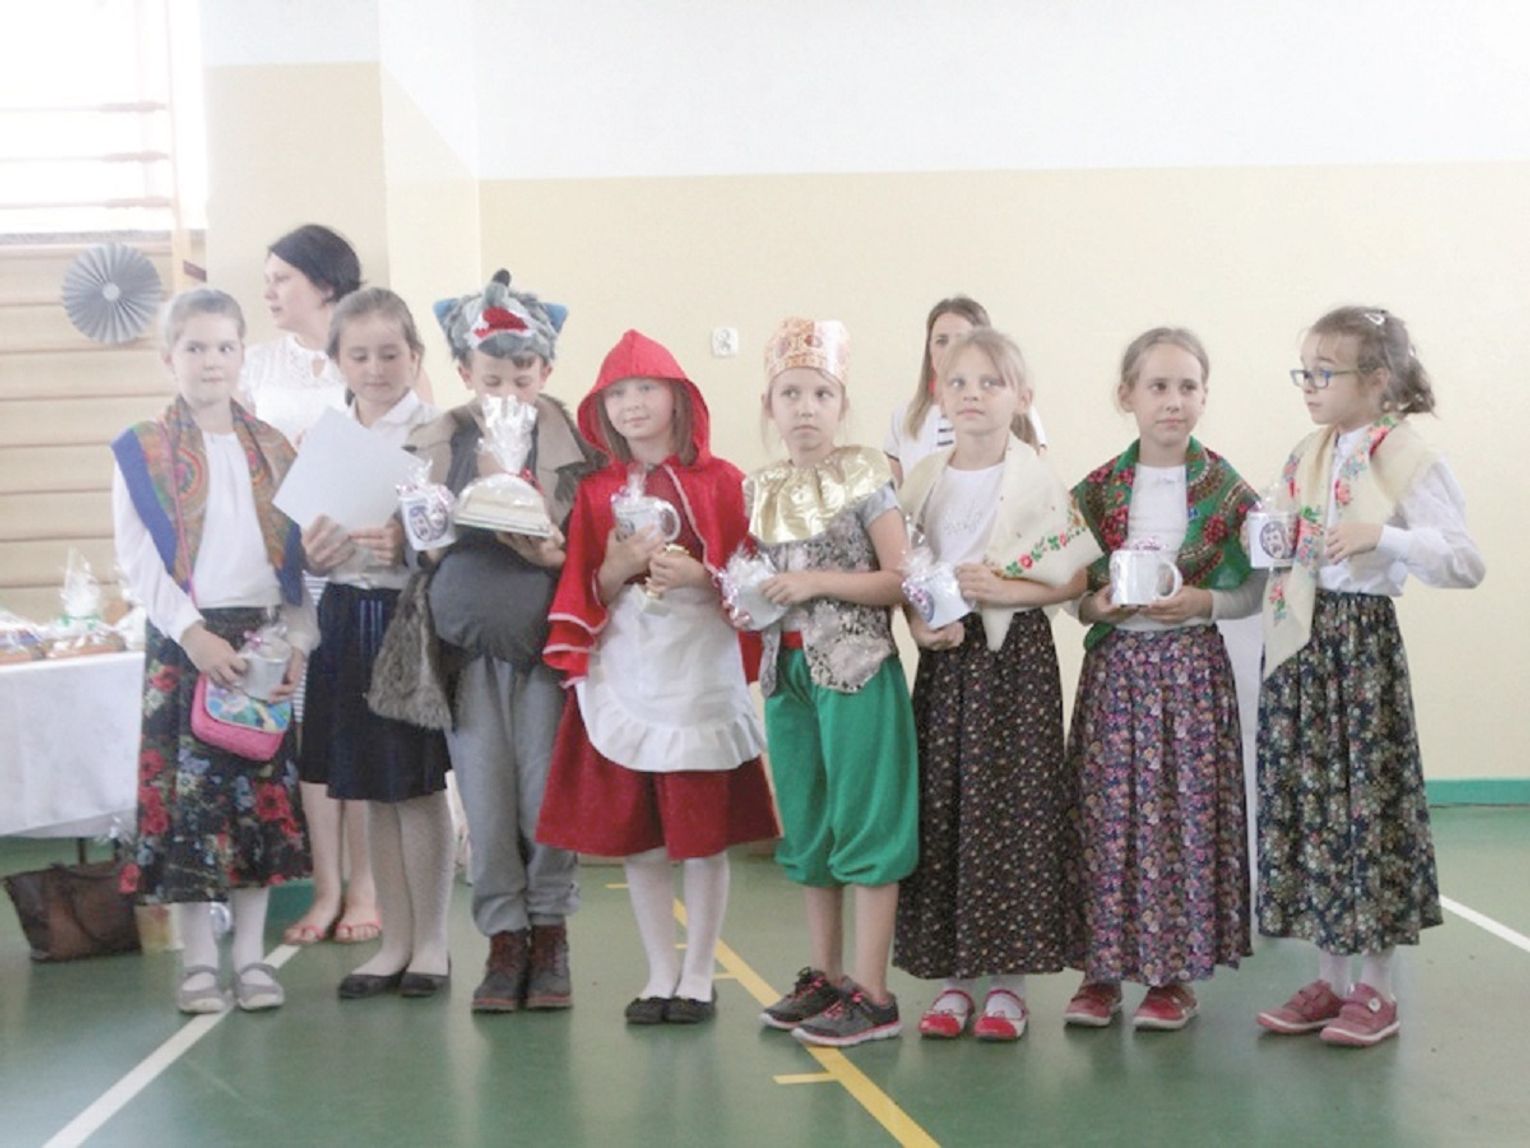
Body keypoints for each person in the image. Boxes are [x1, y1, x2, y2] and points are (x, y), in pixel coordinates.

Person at [1254, 307, 1484, 1047]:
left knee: (1365, 809)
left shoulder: (1406, 457)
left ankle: (1377, 988)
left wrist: (1382, 537)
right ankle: (1331, 977)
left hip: (1358, 648)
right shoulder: (1307, 452)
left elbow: (1463, 561)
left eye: (1325, 372)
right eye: (1305, 371)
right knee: (1314, 809)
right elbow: (1286, 533)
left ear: (1377, 379)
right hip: (1301, 643)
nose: (1309, 385)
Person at [537, 330, 779, 1025]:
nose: (632, 403)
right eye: (617, 393)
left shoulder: (724, 482)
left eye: (645, 388)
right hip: (626, 671)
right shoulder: (595, 493)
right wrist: (616, 569)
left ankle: (699, 973)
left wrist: (702, 575)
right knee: (639, 838)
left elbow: (753, 579)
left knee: (701, 836)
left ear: (679, 397)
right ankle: (659, 971)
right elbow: (585, 585)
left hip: (697, 676)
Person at [892, 329, 1100, 1041]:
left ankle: (1008, 983)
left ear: (1021, 397)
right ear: (938, 394)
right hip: (948, 659)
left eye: (991, 383)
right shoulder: (923, 479)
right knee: (945, 807)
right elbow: (905, 574)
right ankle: (954, 978)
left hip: (1015, 666)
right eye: (959, 382)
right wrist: (918, 626)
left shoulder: (1037, 478)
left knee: (1013, 812)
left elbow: (1075, 576)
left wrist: (1007, 590)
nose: (973, 395)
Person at [111, 288, 314, 1013]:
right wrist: (192, 633)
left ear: (241, 353)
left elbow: (295, 562)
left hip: (261, 641)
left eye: (225, 346)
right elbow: (137, 559)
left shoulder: (276, 449)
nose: (211, 361)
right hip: (186, 642)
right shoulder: (142, 450)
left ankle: (252, 957)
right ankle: (199, 961)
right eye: (195, 347)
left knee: (257, 803)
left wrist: (298, 640)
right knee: (191, 810)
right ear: (169, 357)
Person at [408, 270, 603, 1013]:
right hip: (467, 650)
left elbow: (597, 550)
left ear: (546, 371)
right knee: (484, 801)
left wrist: (555, 551)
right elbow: (419, 546)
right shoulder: (442, 440)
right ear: (464, 372)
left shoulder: (576, 446)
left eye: (523, 376)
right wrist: (437, 524)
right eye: (492, 378)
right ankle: (503, 936)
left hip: (549, 652)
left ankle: (549, 929)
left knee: (547, 796)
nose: (508, 390)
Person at [1065, 327, 1262, 1031]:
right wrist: (1099, 607)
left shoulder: (1229, 492)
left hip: (1190, 675)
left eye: (1187, 386)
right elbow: (1071, 590)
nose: (1173, 401)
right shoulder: (1094, 493)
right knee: (1105, 818)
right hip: (1117, 674)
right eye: (1158, 386)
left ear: (1204, 396)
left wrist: (1203, 602)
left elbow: (1254, 587)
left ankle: (1171, 976)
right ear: (1128, 395)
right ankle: (1100, 972)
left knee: (1183, 821)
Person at [748, 317, 918, 1048]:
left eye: (821, 393)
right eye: (791, 393)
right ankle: (825, 975)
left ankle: (874, 994)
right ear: (770, 405)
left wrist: (815, 581)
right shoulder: (761, 488)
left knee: (867, 822)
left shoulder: (867, 478)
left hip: (855, 670)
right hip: (786, 676)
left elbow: (899, 579)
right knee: (810, 825)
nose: (806, 408)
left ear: (841, 403)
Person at [298, 288, 455, 999]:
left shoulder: (439, 434)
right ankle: (393, 940)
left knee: (415, 788)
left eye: (390, 353)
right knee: (370, 791)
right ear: (337, 361)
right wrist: (316, 554)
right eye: (358, 355)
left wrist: (411, 543)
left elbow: (455, 537)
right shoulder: (326, 437)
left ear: (415, 356)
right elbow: (305, 542)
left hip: (408, 619)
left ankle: (432, 941)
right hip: (345, 614)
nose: (375, 368)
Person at [240, 223, 377, 948]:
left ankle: (368, 885)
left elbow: (405, 454)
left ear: (325, 283)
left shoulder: (369, 354)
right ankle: (325, 888)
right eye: (266, 280)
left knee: (361, 725)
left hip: (360, 566)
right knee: (308, 731)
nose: (269, 292)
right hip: (288, 571)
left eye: (282, 278)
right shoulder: (257, 364)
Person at [884, 295, 1047, 483]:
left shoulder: (1012, 408)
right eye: (941, 341)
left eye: (963, 340)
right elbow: (893, 492)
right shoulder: (904, 416)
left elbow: (1036, 481)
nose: (950, 350)